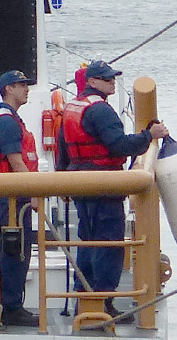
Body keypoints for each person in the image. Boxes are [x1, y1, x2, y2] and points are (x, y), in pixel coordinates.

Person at [57, 61, 169, 306]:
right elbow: (118, 145)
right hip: (104, 183)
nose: (112, 83)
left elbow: (62, 148)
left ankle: (84, 295)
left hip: (78, 182)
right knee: (109, 244)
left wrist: (62, 180)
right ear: (92, 82)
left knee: (87, 240)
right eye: (106, 79)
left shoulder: (71, 107)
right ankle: (103, 299)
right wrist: (149, 136)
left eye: (112, 78)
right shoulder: (101, 111)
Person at [0, 69, 40, 328]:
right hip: (11, 199)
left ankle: (12, 305)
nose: (26, 89)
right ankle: (11, 307)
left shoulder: (10, 119)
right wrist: (33, 192)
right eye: (21, 85)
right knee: (14, 252)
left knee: (17, 250)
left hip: (13, 196)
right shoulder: (7, 122)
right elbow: (16, 162)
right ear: (8, 89)